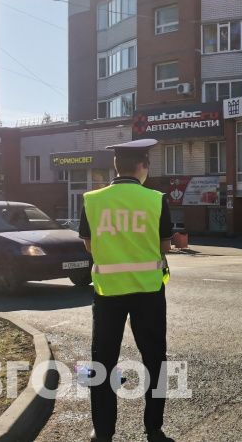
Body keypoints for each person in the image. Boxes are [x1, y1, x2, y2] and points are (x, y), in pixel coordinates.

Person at [78, 139, 174, 442]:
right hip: (148, 293)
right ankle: (154, 427)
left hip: (108, 294)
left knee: (103, 361)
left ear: (115, 167)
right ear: (143, 166)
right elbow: (165, 246)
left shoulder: (92, 200)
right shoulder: (156, 200)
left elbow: (89, 245)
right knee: (155, 359)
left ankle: (103, 431)